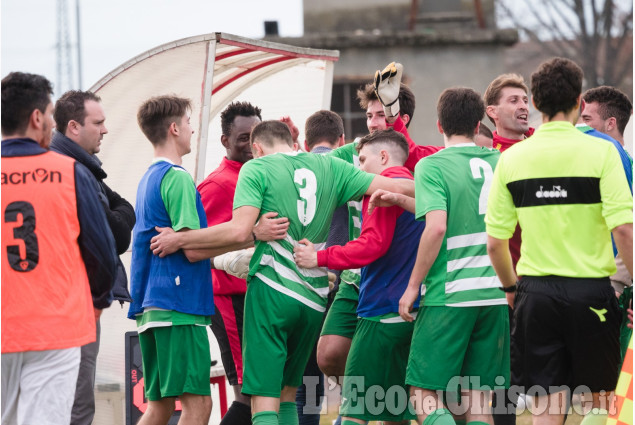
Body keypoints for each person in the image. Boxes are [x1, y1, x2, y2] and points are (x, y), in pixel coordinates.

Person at [149, 120, 415, 425]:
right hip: (314, 297)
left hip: (272, 291)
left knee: (264, 399)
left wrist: (179, 238)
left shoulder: (257, 169)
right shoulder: (331, 168)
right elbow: (395, 185)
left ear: (257, 148)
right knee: (289, 394)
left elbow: (237, 232)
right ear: (292, 141)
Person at [485, 57, 633, 425]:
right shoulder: (603, 152)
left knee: (545, 412)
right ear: (580, 103)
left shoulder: (512, 158)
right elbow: (624, 230)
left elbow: (495, 242)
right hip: (592, 294)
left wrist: (510, 288)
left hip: (534, 296)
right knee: (597, 405)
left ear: (534, 103)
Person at [370, 88, 509, 425]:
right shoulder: (502, 161)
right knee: (478, 402)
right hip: (495, 293)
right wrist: (402, 200)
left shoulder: (432, 165)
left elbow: (436, 227)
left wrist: (412, 285)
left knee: (422, 393)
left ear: (439, 125)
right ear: (479, 125)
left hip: (450, 293)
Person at [1, 72, 117, 425]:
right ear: (37, 118)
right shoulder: (69, 171)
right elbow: (103, 254)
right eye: (50, 115)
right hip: (57, 326)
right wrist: (96, 303)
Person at [319, 62, 442, 387]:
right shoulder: (356, 152)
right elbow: (318, 162)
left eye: (382, 115)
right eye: (371, 116)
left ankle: (362, 409)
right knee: (328, 355)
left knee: (408, 378)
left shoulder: (421, 158)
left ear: (402, 119)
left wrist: (393, 115)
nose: (374, 123)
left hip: (398, 277)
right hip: (356, 275)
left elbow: (409, 157)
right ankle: (361, 404)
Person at [294, 128, 424, 424]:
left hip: (379, 312)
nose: (360, 168)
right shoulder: (416, 186)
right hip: (412, 309)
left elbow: (371, 246)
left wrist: (319, 257)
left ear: (382, 156)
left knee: (353, 412)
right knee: (396, 408)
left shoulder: (379, 192)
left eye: (363, 160)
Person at [197, 100, 289, 425]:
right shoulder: (217, 185)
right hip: (230, 299)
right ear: (225, 141)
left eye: (256, 136)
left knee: (267, 391)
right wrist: (251, 234)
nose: (251, 145)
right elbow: (196, 246)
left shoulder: (268, 174)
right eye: (242, 138)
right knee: (248, 393)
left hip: (263, 297)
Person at [128, 95, 218, 425]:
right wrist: (244, 239)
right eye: (190, 123)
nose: (193, 130)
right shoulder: (177, 177)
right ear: (175, 127)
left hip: (152, 307)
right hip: (178, 306)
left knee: (160, 406)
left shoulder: (147, 179)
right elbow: (192, 247)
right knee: (198, 405)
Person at [50, 89, 135, 425]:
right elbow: (115, 234)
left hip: (68, 304)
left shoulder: (84, 167)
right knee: (78, 403)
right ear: (73, 126)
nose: (105, 129)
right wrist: (98, 297)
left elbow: (123, 208)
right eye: (98, 122)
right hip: (76, 304)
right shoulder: (75, 171)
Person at [296, 109, 349, 425]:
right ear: (342, 140)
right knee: (355, 383)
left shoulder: (294, 168)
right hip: (343, 283)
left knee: (307, 387)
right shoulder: (348, 166)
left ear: (305, 143)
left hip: (303, 283)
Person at [579, 86, 634, 366]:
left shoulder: (626, 167)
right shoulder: (591, 163)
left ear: (611, 123)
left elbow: (626, 228)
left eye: (587, 120)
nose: (581, 127)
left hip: (617, 288)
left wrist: (619, 282)